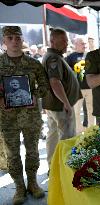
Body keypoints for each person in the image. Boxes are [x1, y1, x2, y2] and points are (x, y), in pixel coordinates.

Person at [0, 26, 49, 204]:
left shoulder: (34, 64)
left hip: (31, 117)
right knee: (12, 155)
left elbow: (44, 86)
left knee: (33, 152)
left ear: (22, 40)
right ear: (4, 42)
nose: (14, 41)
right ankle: (19, 187)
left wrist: (35, 95)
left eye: (18, 37)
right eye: (10, 38)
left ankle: (33, 183)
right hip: (8, 119)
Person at [42, 28, 82, 167]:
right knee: (67, 137)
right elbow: (55, 82)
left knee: (53, 135)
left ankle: (53, 167)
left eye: (67, 40)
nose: (67, 43)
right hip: (60, 106)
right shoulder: (53, 58)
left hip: (54, 105)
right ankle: (65, 168)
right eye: (63, 41)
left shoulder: (55, 56)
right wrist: (66, 103)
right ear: (53, 41)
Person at [66, 37, 95, 134]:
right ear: (76, 45)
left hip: (90, 88)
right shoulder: (71, 57)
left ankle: (91, 131)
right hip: (77, 89)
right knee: (76, 111)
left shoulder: (90, 55)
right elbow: (66, 72)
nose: (84, 45)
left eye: (85, 43)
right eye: (82, 43)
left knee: (92, 110)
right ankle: (78, 132)